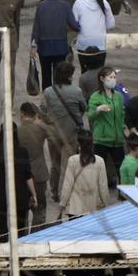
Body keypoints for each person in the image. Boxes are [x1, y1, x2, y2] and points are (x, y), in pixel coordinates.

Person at [39, 60, 87, 200]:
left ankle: (54, 192)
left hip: (53, 134)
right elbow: (83, 107)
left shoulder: (48, 91)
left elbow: (42, 110)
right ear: (69, 76)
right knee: (69, 163)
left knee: (55, 164)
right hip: (71, 134)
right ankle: (67, 191)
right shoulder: (76, 91)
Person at [0, 123, 36, 239]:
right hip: (20, 198)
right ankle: (20, 254)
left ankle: (4, 253)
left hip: (3, 198)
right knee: (20, 231)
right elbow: (28, 176)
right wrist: (34, 194)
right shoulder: (23, 152)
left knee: (3, 231)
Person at [30, 0, 79, 90]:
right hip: (60, 47)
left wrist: (33, 46)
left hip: (44, 47)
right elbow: (74, 25)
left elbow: (36, 28)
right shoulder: (65, 5)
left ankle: (47, 98)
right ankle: (58, 97)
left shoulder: (41, 6)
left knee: (45, 75)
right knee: (59, 75)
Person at [88, 66, 125, 187]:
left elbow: (121, 114)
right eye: (110, 77)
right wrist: (98, 109)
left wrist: (124, 128)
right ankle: (98, 193)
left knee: (121, 169)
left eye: (114, 77)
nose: (113, 80)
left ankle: (122, 194)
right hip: (102, 139)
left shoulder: (118, 96)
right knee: (98, 169)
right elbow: (90, 115)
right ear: (102, 79)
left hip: (117, 139)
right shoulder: (96, 96)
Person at [59, 129, 109, 219]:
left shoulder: (72, 160)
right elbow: (103, 186)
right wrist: (105, 203)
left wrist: (63, 203)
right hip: (93, 208)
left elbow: (67, 185)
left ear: (79, 144)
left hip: (75, 208)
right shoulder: (100, 161)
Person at [18, 102, 50, 230]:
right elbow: (55, 133)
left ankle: (22, 239)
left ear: (21, 113)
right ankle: (36, 237)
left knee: (22, 212)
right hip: (39, 174)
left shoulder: (17, 131)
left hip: (21, 176)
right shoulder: (40, 128)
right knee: (40, 211)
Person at [72, 0, 115, 70]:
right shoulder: (104, 2)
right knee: (99, 72)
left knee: (85, 72)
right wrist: (101, 29)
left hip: (83, 45)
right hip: (101, 45)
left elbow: (74, 24)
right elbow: (111, 24)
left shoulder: (79, 3)